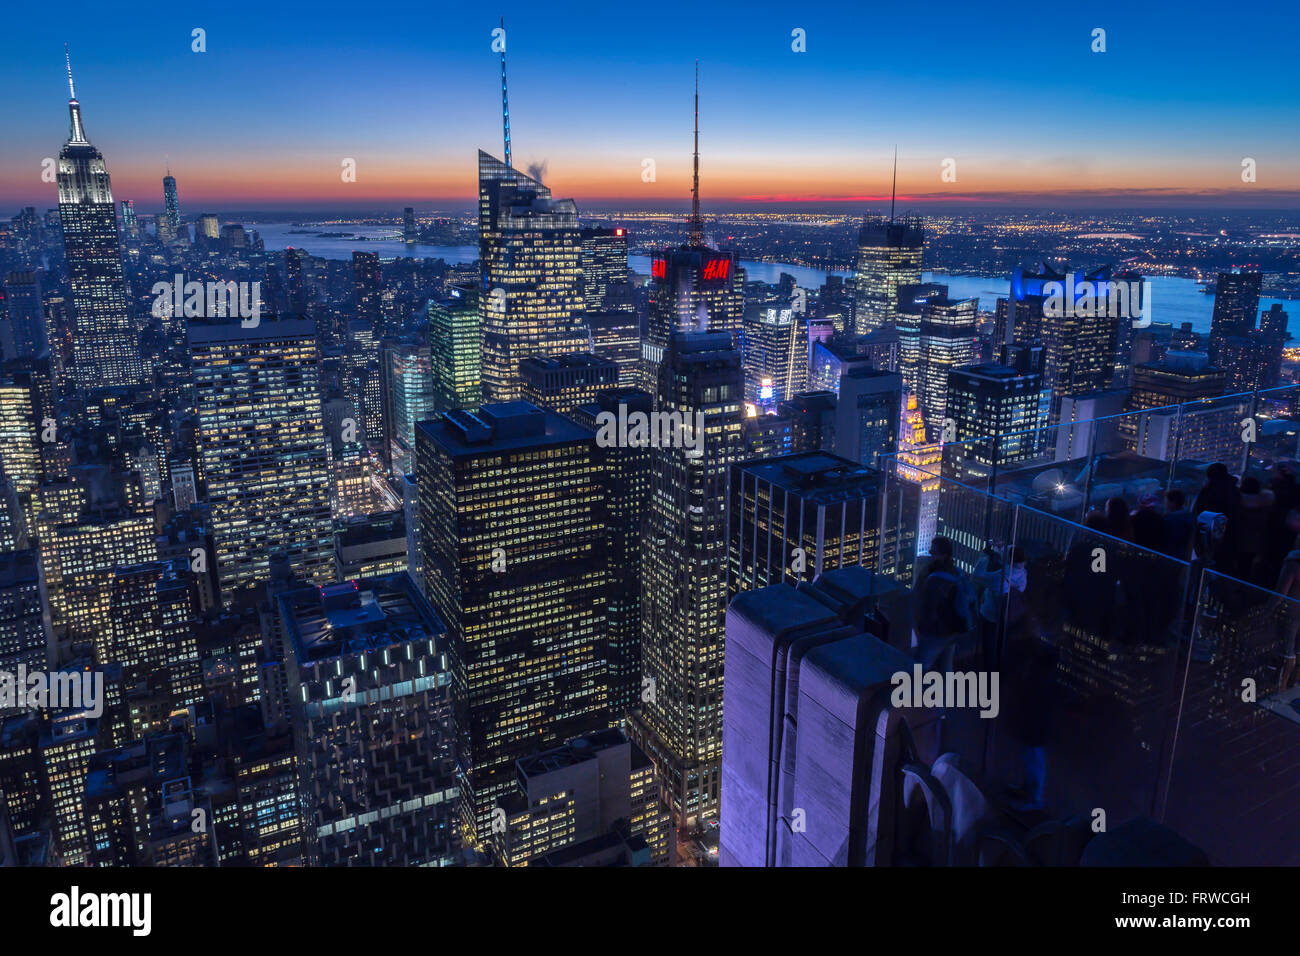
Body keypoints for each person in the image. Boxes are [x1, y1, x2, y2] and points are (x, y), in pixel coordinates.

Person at [914, 535, 974, 674]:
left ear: (944, 555)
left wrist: (921, 630)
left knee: (919, 667)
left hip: (936, 632)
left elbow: (928, 609)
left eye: (933, 552)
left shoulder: (935, 580)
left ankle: (917, 694)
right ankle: (946, 693)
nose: (930, 554)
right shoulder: (956, 572)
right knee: (946, 667)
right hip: (954, 629)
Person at [1272, 536, 1300, 693]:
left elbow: (1281, 593)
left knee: (1288, 650)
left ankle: (1281, 685)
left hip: (1292, 611)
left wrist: (1269, 610)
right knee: (1298, 649)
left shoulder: (1293, 562)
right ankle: (1294, 682)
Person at [1236, 475, 1275, 583]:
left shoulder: (1238, 504)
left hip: (1238, 540)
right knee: (1247, 567)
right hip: (1257, 543)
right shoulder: (1265, 505)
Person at [1162, 488, 1195, 560]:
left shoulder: (1171, 518)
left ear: (1173, 502)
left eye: (1166, 502)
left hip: (1170, 556)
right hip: (1183, 557)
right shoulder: (1189, 516)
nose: (1165, 505)